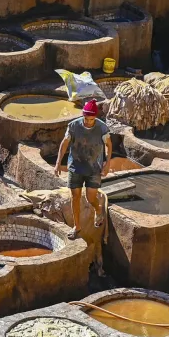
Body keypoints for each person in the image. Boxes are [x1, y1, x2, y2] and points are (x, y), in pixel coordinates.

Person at [54, 99, 112, 238]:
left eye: (91, 119)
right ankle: (77, 227)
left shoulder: (102, 128)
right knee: (75, 197)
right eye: (86, 118)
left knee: (91, 197)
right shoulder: (73, 126)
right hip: (76, 166)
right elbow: (65, 143)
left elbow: (109, 145)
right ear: (83, 115)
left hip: (94, 168)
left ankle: (98, 210)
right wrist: (58, 162)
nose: (88, 122)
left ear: (95, 117)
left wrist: (107, 163)